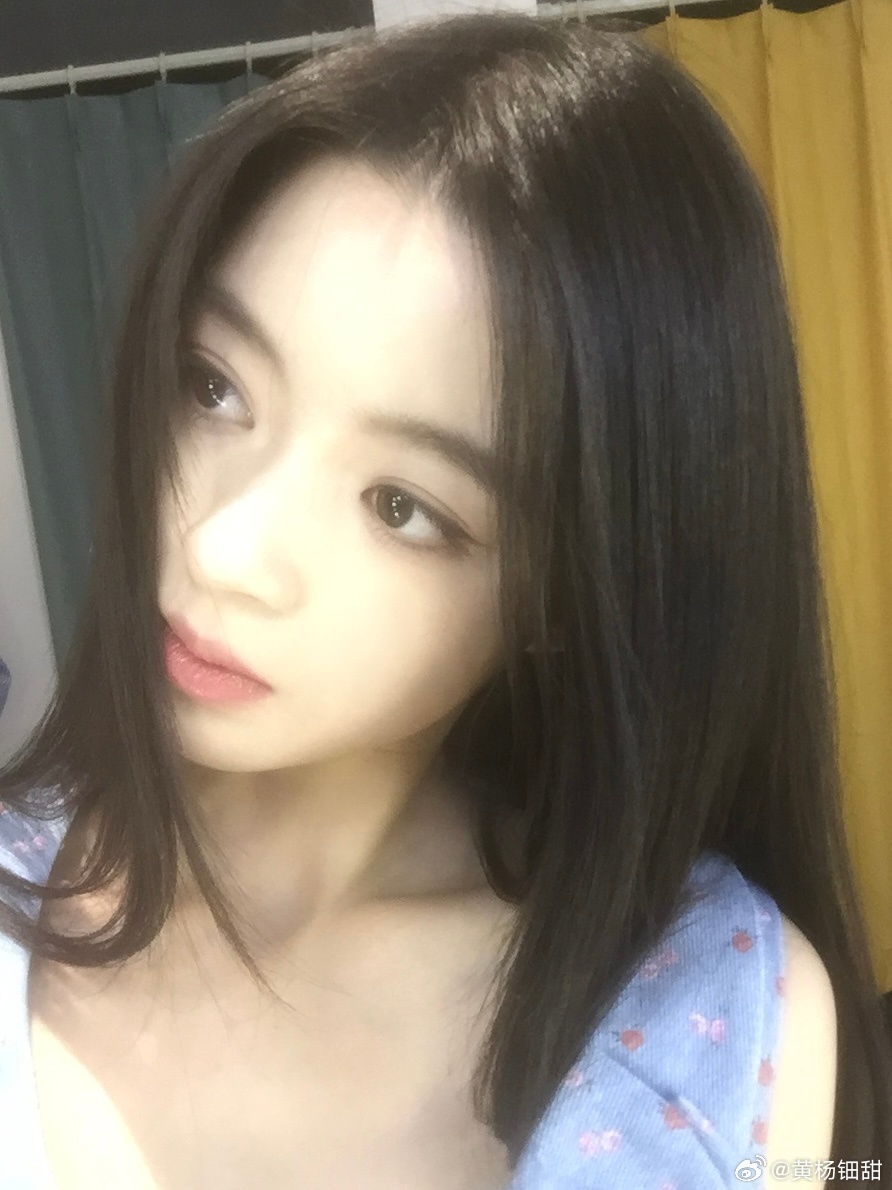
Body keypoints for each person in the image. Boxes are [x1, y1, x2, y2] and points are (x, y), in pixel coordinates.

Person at [0, 11, 890, 1189]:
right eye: (213, 387)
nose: (222, 546)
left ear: (567, 589)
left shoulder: (713, 1021)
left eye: (402, 505)